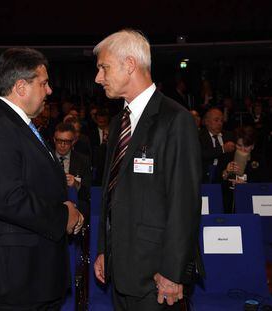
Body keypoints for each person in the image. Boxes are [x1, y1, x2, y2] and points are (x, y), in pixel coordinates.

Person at [0, 47, 84, 310]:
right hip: (10, 282)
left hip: (29, 277)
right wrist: (63, 216)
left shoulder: (14, 124)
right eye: (44, 83)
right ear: (21, 86)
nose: (49, 91)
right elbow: (8, 199)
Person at [92, 29, 202, 310]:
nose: (98, 78)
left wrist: (172, 273)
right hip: (120, 269)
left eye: (104, 68)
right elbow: (111, 192)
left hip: (156, 276)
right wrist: (105, 249)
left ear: (129, 65)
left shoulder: (176, 120)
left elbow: (184, 203)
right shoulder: (118, 122)